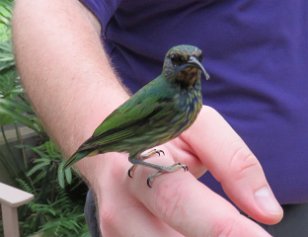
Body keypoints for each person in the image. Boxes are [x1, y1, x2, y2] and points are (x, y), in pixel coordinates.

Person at [12, 0, 308, 236]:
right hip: (175, 219)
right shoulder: (165, 99)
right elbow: (49, 8)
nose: (188, 64)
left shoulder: (190, 99)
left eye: (195, 60)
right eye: (179, 60)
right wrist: (106, 155)